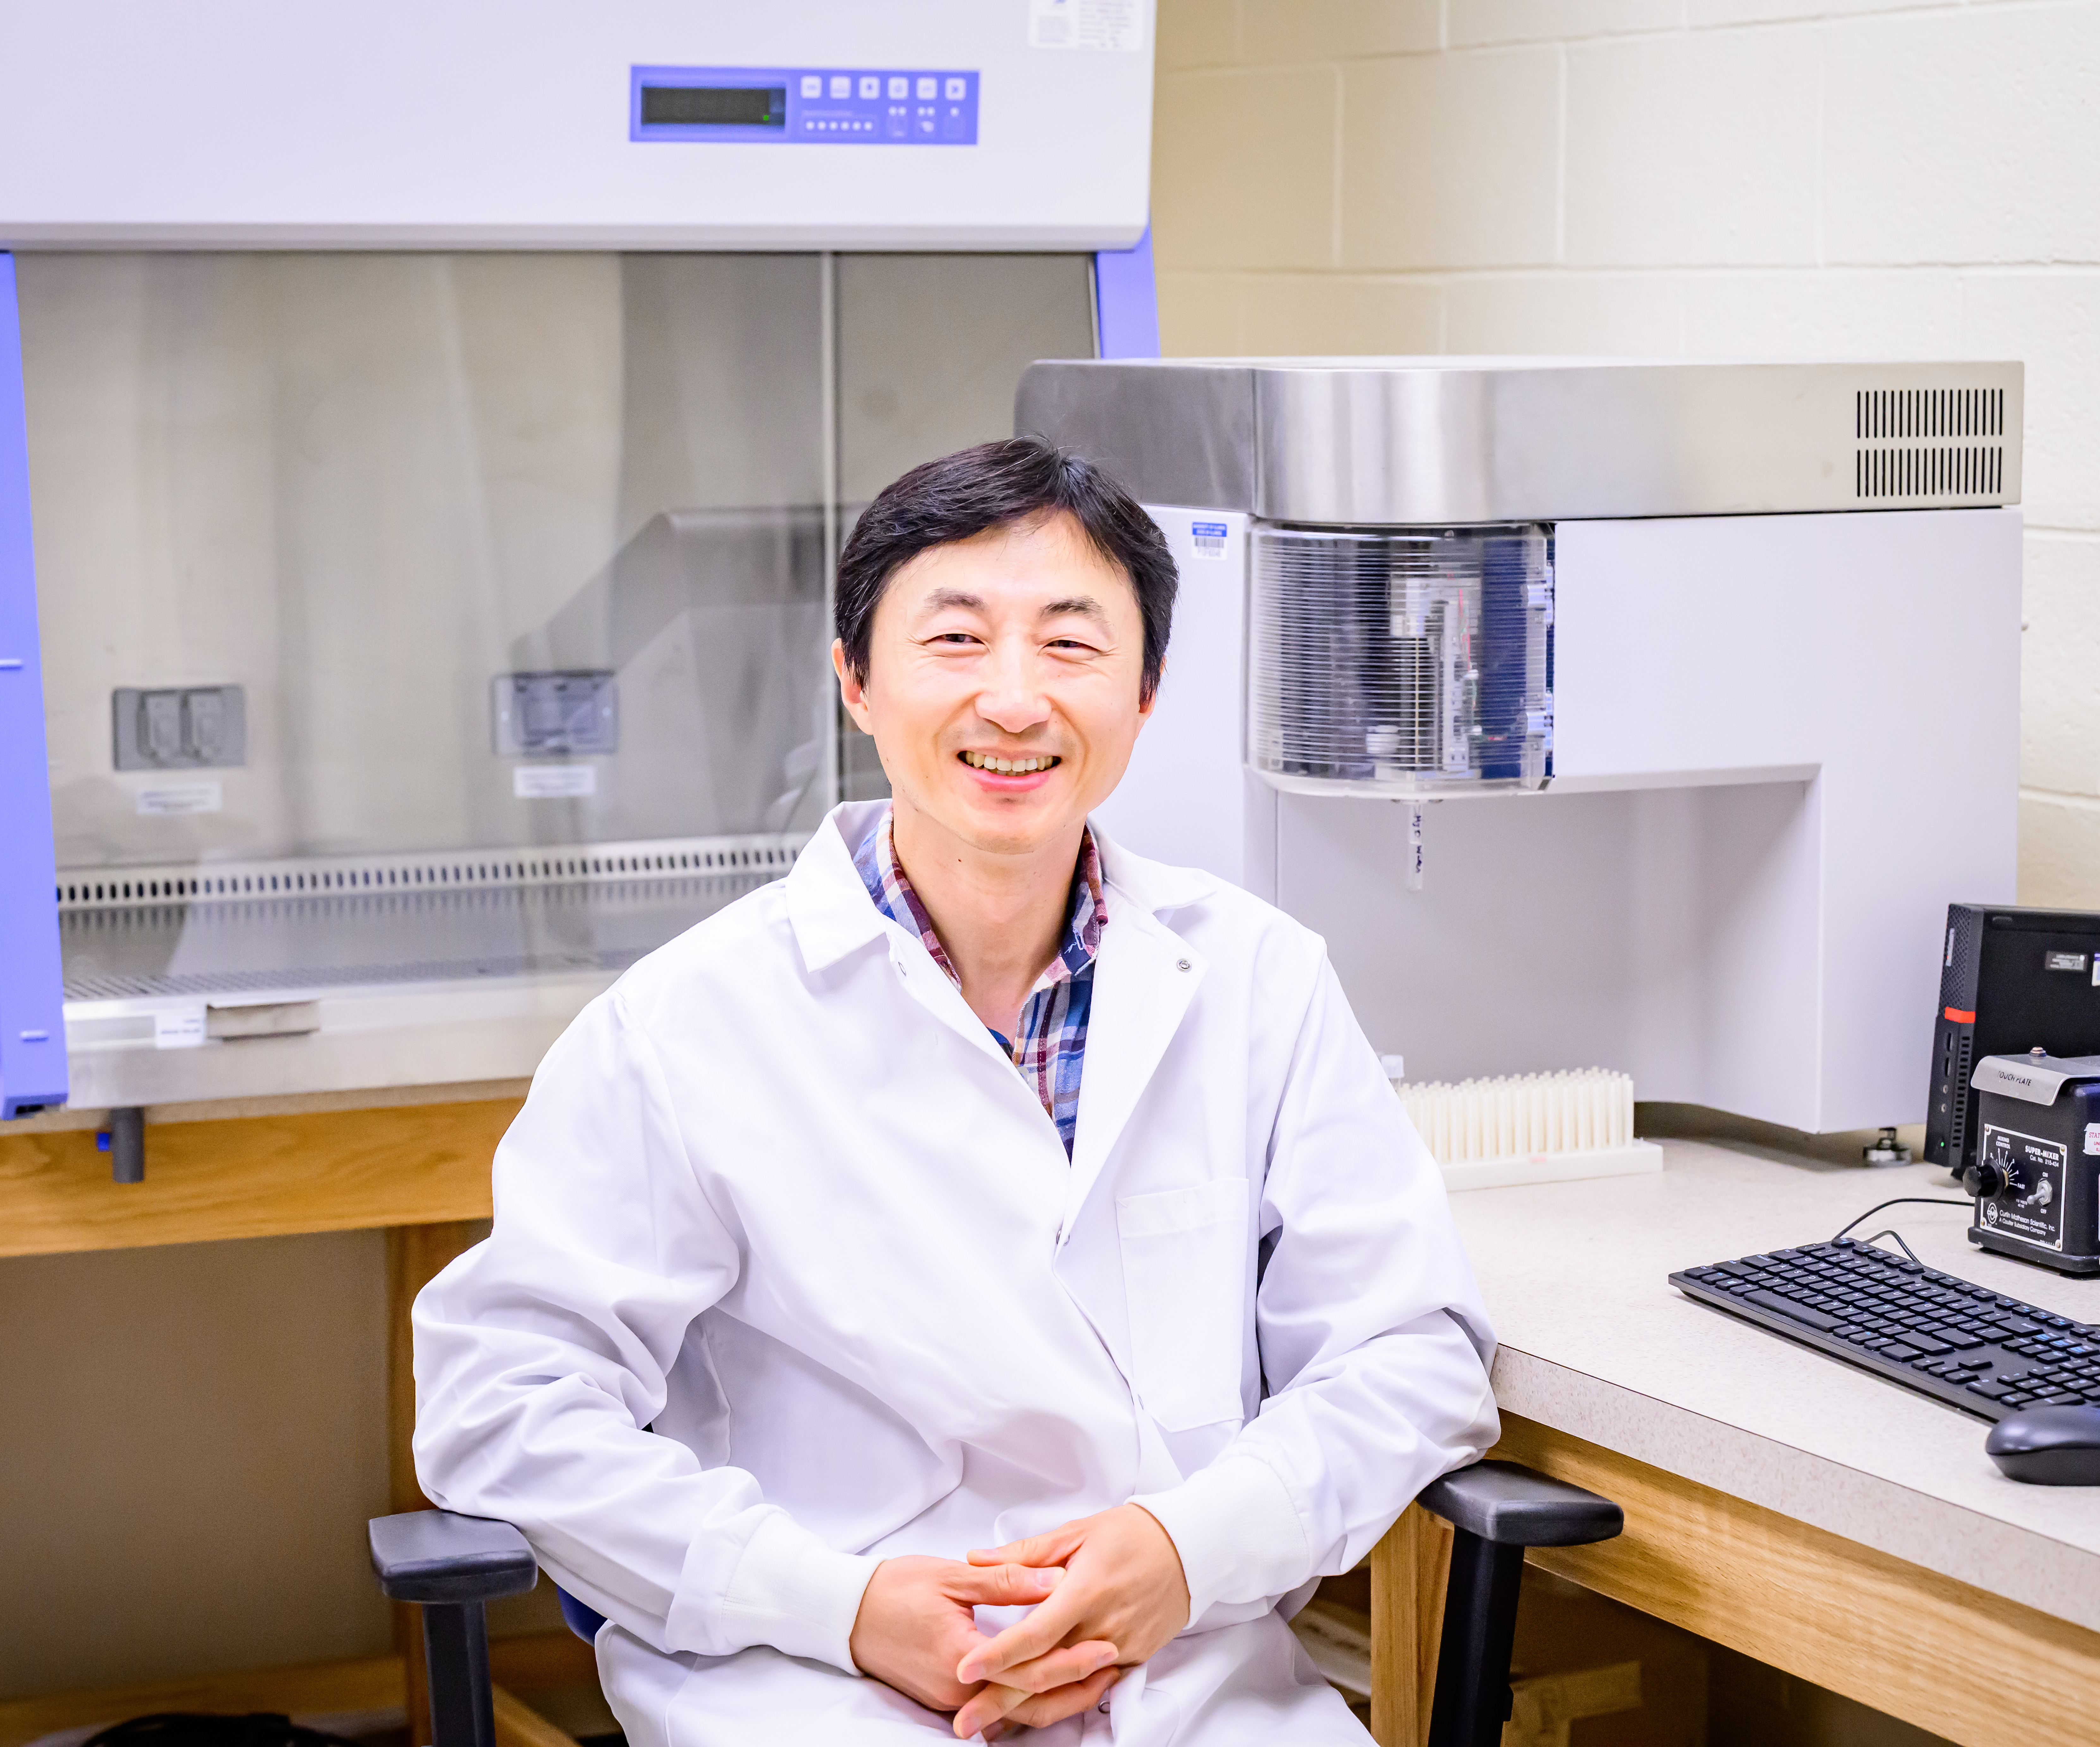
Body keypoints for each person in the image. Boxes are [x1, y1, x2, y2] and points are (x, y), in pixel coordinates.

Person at [413, 437, 1499, 1744]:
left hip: (1192, 1685)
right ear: (856, 682)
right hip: (812, 1687)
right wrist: (838, 1604)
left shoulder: (1260, 981)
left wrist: (1190, 1546)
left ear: (1146, 693)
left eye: (1071, 644)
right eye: (957, 639)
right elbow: (504, 1403)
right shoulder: (682, 1025)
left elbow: (1410, 1348)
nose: (1015, 699)